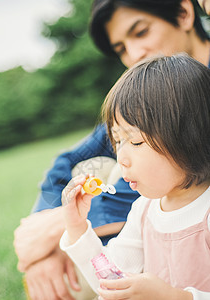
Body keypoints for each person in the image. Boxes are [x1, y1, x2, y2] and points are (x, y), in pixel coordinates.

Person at [13, 1, 210, 299]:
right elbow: (110, 275)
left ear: (185, 13)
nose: (133, 55)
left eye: (141, 32)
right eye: (120, 48)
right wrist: (72, 227)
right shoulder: (145, 209)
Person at [60, 53, 210, 300]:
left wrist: (176, 297)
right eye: (118, 141)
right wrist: (77, 228)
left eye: (136, 141)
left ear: (190, 135)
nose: (122, 158)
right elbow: (112, 282)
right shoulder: (144, 211)